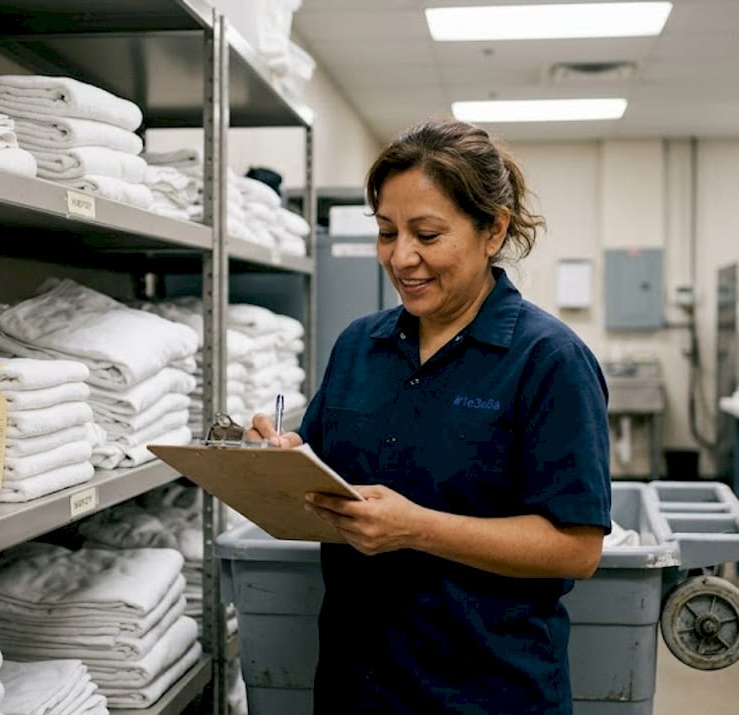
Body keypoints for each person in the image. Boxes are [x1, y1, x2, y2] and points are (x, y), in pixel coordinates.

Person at [247, 117, 611, 714]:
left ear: (492, 230)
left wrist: (417, 528)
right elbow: (322, 483)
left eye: (428, 234)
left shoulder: (548, 360)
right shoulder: (358, 346)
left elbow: (576, 548)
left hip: (486, 690)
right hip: (356, 685)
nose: (402, 257)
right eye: (387, 233)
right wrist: (278, 463)